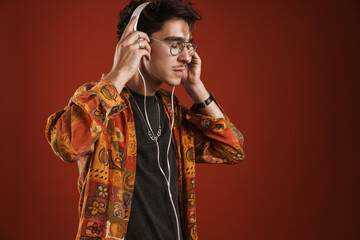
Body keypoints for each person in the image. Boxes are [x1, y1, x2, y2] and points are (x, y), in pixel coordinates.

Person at [45, 0, 245, 239]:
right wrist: (118, 73)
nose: (185, 56)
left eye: (189, 45)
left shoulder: (173, 112)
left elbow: (232, 149)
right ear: (139, 42)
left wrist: (196, 87)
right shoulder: (100, 103)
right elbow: (66, 144)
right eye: (175, 44)